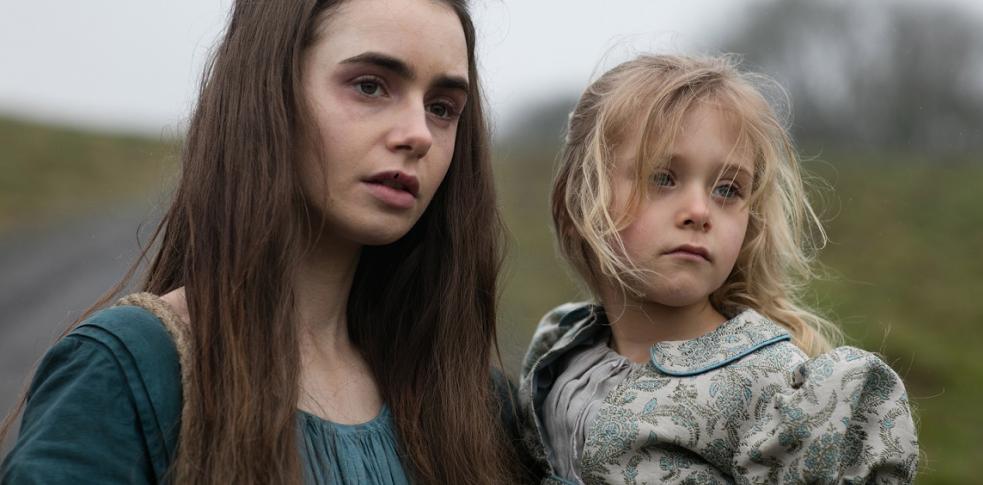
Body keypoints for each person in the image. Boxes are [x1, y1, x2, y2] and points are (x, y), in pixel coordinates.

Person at [0, 0, 526, 483]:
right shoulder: (128, 371)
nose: (419, 134)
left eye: (443, 107)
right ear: (266, 91)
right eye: (370, 85)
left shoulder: (472, 404)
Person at [517, 54, 919, 484]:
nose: (698, 211)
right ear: (580, 195)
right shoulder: (560, 350)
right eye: (663, 177)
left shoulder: (774, 389)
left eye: (728, 189)